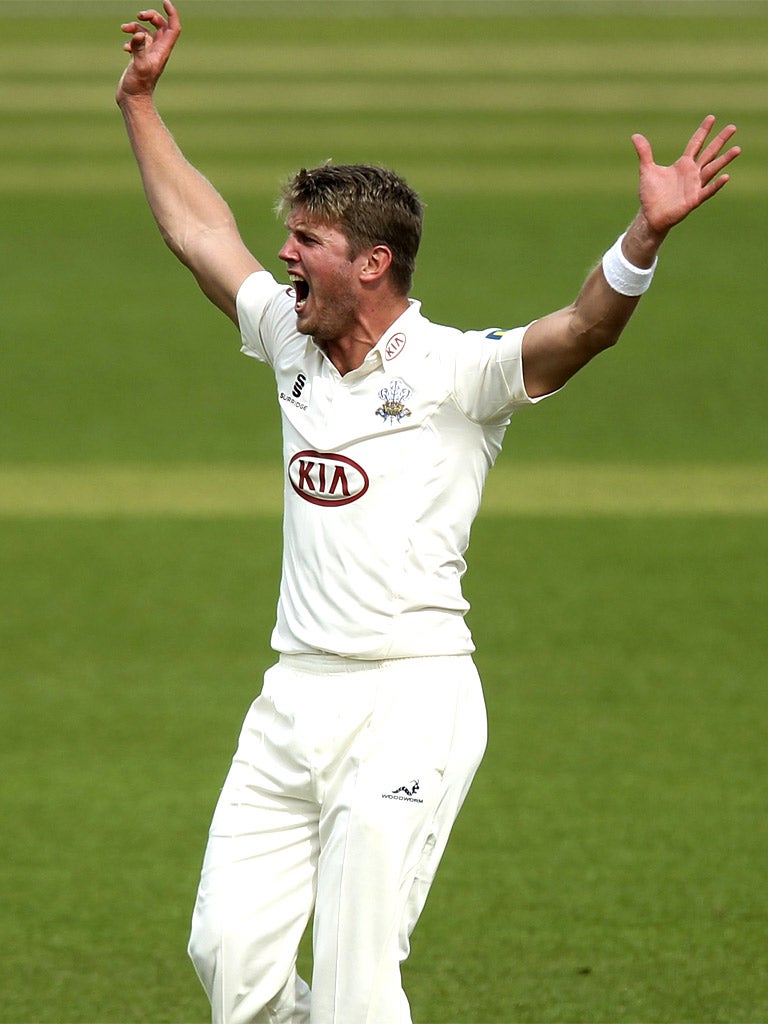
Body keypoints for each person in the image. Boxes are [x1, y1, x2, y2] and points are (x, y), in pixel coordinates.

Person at [116, 4, 740, 1023]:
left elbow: (583, 328)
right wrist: (139, 102)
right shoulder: (289, 338)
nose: (284, 257)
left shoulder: (458, 369)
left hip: (409, 703)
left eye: (307, 241)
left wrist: (643, 237)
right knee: (231, 962)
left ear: (371, 262)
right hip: (292, 698)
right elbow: (199, 231)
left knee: (361, 981)